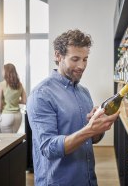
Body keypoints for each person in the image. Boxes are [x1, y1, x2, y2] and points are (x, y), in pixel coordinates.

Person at [26, 29, 119, 186]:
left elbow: (91, 139)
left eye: (85, 59)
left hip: (88, 180)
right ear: (58, 56)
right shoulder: (41, 94)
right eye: (75, 59)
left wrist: (98, 128)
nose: (81, 66)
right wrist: (89, 129)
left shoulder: (84, 92)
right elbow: (49, 148)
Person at [0, 63, 26, 133]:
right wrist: (15, 101)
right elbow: (24, 101)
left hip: (6, 116)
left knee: (6, 140)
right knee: (14, 140)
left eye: (3, 71)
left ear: (6, 72)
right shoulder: (19, 84)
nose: (2, 72)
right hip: (18, 117)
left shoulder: (1, 85)